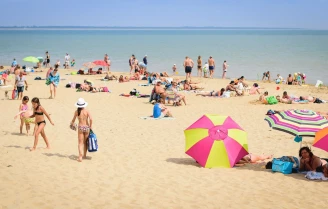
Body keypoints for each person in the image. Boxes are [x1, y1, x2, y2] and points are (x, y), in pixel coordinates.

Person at [70, 98, 93, 162]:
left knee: (80, 143)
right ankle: (84, 155)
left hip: (80, 127)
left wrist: (71, 124)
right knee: (85, 142)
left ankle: (80, 156)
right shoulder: (87, 111)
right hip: (86, 127)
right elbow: (91, 119)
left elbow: (73, 120)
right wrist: (91, 126)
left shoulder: (77, 112)